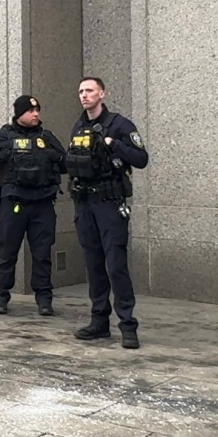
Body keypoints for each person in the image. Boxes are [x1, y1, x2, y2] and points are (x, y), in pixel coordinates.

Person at [65, 77, 148, 349]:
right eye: (81, 91)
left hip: (109, 203)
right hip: (85, 203)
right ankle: (99, 322)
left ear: (102, 94)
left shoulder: (120, 125)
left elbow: (141, 158)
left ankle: (127, 325)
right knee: (94, 265)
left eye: (89, 90)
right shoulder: (79, 126)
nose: (84, 95)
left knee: (115, 266)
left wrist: (114, 144)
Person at [0, 95, 66, 316]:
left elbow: (66, 163)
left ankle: (44, 299)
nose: (36, 114)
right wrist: (6, 153)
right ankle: (1, 297)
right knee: (8, 251)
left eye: (37, 110)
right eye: (31, 111)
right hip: (13, 202)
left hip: (42, 203)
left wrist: (50, 154)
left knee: (42, 253)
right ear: (19, 114)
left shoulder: (46, 137)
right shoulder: (3, 136)